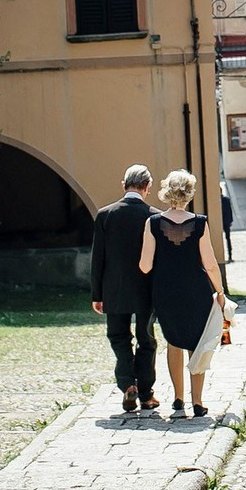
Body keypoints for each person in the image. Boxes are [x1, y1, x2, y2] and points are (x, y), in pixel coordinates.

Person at [138, 169, 230, 419]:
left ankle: (178, 398)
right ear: (189, 193)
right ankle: (197, 401)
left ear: (167, 192)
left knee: (173, 340)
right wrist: (220, 291)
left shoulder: (153, 223)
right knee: (196, 341)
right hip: (196, 288)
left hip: (165, 289)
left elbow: (145, 265)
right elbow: (210, 263)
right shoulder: (200, 222)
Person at [91, 164, 159, 413]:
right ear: (147, 187)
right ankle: (146, 393)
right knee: (146, 340)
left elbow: (98, 258)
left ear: (124, 185)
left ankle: (127, 384)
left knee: (118, 337)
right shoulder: (154, 216)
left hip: (114, 289)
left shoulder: (105, 215)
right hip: (146, 289)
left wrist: (97, 295)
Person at [219, 181, 235, 264]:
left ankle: (225, 256)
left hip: (220, 222)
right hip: (226, 221)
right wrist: (230, 220)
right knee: (228, 239)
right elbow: (230, 211)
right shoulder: (226, 199)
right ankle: (230, 255)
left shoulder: (217, 201)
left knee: (220, 238)